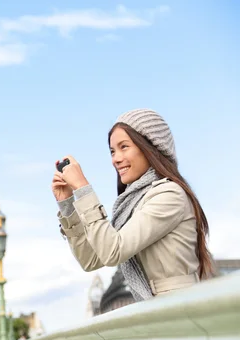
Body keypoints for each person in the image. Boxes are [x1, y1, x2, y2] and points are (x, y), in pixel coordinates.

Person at [52, 109, 213, 301]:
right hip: (157, 310)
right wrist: (67, 204)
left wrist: (83, 188)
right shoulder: (133, 203)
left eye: (124, 147)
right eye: (112, 151)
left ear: (151, 148)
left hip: (180, 310)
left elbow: (113, 251)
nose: (116, 159)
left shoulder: (170, 195)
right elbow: (91, 260)